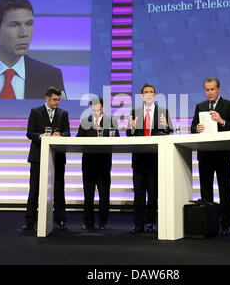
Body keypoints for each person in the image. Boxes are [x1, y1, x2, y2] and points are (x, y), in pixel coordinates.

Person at [190, 77, 230, 236]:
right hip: (205, 154)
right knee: (206, 191)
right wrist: (197, 128)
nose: (209, 92)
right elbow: (192, 128)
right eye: (207, 90)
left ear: (218, 89)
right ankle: (209, 224)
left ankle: (226, 225)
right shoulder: (200, 106)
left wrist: (222, 121)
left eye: (212, 89)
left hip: (223, 154)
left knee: (225, 190)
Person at [126, 83, 173, 234]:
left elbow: (169, 132)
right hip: (139, 159)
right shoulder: (135, 111)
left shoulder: (163, 111)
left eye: (151, 92)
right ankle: (138, 224)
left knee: (153, 194)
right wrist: (132, 128)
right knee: (139, 193)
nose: (148, 94)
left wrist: (166, 127)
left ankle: (151, 222)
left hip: (155, 159)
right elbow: (128, 133)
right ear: (141, 96)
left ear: (154, 95)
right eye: (145, 92)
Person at [22, 86, 70, 231]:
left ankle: (61, 219)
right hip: (38, 156)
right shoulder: (35, 112)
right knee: (35, 189)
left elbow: (67, 132)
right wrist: (41, 136)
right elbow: (30, 133)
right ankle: (30, 220)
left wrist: (60, 136)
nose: (57, 102)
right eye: (54, 99)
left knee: (59, 189)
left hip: (58, 157)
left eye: (59, 100)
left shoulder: (63, 113)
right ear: (47, 98)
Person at [76, 97, 120, 230]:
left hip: (104, 164)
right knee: (88, 196)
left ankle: (103, 223)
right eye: (94, 109)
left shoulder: (111, 121)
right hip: (88, 163)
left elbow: (117, 139)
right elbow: (78, 139)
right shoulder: (85, 121)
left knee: (104, 196)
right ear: (91, 108)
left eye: (98, 109)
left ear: (103, 108)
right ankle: (88, 223)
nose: (96, 111)